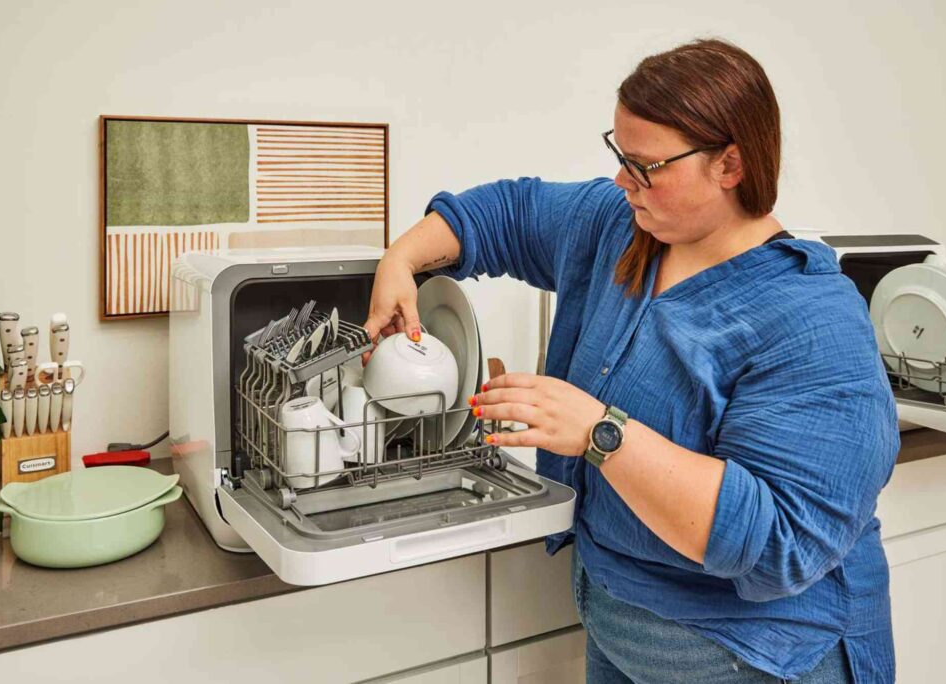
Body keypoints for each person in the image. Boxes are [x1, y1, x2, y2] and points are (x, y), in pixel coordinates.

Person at [363, 38, 899, 684]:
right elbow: (507, 214)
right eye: (621, 155)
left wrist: (598, 432)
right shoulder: (621, 226)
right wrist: (401, 260)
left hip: (755, 660)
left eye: (646, 166)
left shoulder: (814, 321)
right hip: (618, 626)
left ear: (730, 165)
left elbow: (776, 540)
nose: (623, 181)